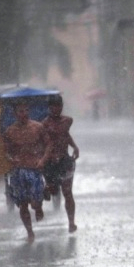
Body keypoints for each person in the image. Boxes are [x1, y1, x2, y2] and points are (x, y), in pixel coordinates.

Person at [3, 102, 52, 243]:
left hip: (34, 168)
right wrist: (12, 159)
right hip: (18, 171)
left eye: (25, 111)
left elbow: (48, 144)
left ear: (28, 111)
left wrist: (43, 159)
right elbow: (6, 151)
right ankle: (29, 232)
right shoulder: (10, 131)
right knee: (23, 203)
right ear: (15, 114)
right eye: (20, 111)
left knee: (36, 201)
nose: (23, 114)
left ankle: (38, 208)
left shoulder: (38, 127)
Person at [42, 95, 79, 233]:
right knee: (53, 190)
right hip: (51, 162)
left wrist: (74, 146)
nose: (56, 109)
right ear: (49, 108)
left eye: (59, 106)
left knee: (68, 192)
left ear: (62, 106)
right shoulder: (44, 125)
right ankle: (47, 189)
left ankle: (71, 222)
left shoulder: (68, 121)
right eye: (53, 107)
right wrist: (49, 156)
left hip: (65, 161)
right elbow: (45, 143)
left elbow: (65, 135)